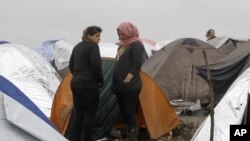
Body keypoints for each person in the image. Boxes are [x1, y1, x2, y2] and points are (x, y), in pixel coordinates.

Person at [111, 22, 146, 141]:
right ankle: (127, 137)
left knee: (129, 113)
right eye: (119, 34)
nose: (120, 36)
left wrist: (127, 79)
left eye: (122, 33)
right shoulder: (122, 46)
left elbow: (136, 64)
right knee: (124, 113)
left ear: (129, 32)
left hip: (130, 86)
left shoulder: (136, 45)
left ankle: (133, 138)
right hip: (119, 86)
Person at [69, 26, 104, 141]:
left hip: (75, 83)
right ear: (89, 36)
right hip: (89, 85)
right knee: (90, 114)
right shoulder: (93, 46)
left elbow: (71, 66)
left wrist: (78, 76)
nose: (99, 39)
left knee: (79, 114)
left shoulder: (77, 47)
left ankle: (75, 139)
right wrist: (100, 80)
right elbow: (96, 65)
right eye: (97, 36)